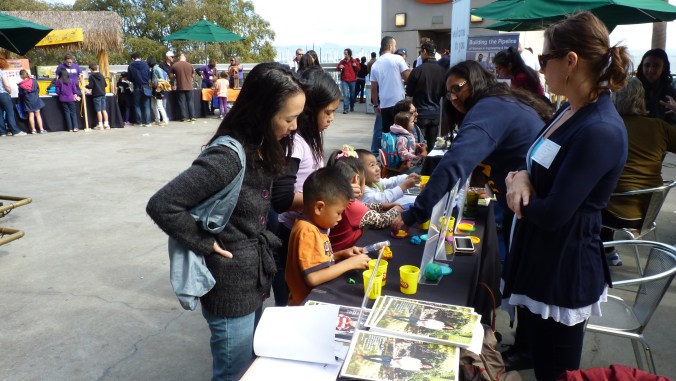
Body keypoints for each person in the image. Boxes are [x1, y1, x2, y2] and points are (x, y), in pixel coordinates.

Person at [146, 62, 305, 381]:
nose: (294, 126)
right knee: (232, 372)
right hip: (230, 288)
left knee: (249, 364)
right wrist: (203, 241)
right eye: (289, 118)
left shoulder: (260, 148)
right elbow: (163, 204)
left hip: (254, 279)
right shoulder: (229, 157)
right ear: (261, 112)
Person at [502, 12, 631, 381]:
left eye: (544, 60)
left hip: (562, 269)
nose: (541, 69)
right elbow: (537, 162)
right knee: (543, 359)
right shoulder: (569, 110)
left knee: (556, 372)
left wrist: (515, 188)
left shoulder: (600, 130)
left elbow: (553, 212)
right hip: (541, 260)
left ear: (570, 61)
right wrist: (522, 175)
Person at [392, 59, 549, 246]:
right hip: (521, 205)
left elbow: (455, 162)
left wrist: (415, 213)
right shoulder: (496, 104)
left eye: (457, 88)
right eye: (449, 93)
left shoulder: (490, 108)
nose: (453, 97)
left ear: (476, 81)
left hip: (534, 209)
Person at [270, 67, 342, 306]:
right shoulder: (296, 143)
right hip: (292, 233)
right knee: (291, 301)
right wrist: (326, 200)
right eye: (328, 112)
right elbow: (281, 198)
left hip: (311, 230)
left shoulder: (311, 140)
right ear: (310, 111)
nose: (331, 118)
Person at [601, 77, 676, 266]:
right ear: (641, 98)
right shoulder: (658, 127)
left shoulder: (607, 127)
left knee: (589, 194)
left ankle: (598, 253)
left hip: (612, 212)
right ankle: (608, 251)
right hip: (647, 213)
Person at [285, 166, 370, 306]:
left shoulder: (312, 226)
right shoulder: (308, 232)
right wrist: (349, 264)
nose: (340, 218)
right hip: (304, 305)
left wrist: (341, 254)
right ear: (319, 207)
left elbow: (314, 260)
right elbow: (313, 277)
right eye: (338, 212)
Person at [327, 148, 403, 251]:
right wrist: (397, 209)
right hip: (340, 256)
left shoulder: (340, 199)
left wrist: (381, 206)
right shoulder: (352, 206)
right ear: (356, 179)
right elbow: (382, 221)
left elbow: (363, 207)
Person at [406, 40, 446, 145]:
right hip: (436, 114)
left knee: (419, 145)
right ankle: (430, 161)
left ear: (424, 51)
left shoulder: (417, 71)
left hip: (420, 114)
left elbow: (409, 92)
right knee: (432, 145)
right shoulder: (442, 71)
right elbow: (444, 92)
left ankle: (422, 162)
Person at [370, 36, 411, 133]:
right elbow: (408, 78)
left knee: (388, 134)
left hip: (384, 104)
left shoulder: (375, 65)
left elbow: (373, 88)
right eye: (395, 46)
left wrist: (376, 105)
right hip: (399, 103)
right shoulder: (398, 59)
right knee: (401, 133)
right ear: (390, 46)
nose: (395, 48)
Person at [636, 48, 676, 125]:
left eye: (656, 66)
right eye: (647, 65)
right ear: (642, 67)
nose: (650, 70)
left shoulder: (670, 92)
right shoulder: (633, 89)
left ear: (663, 67)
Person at [0, 58, 26, 137]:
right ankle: (15, 130)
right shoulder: (1, 72)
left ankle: (2, 132)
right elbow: (7, 85)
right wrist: (10, 92)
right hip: (3, 94)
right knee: (10, 112)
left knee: (0, 114)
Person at [127, 52, 152, 127]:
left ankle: (139, 122)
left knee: (137, 105)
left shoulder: (130, 66)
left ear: (132, 59)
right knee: (147, 105)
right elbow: (149, 76)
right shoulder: (146, 65)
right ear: (139, 57)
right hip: (146, 86)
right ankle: (147, 122)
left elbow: (130, 78)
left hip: (137, 87)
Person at [18, 69, 46, 134]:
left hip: (27, 100)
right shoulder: (34, 81)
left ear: (21, 76)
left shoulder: (21, 85)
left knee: (31, 115)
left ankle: (33, 130)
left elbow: (20, 94)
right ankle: (41, 129)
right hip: (35, 99)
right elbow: (38, 89)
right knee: (38, 114)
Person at [171, 53, 196, 123]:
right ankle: (192, 117)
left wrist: (176, 77)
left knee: (182, 102)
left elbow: (171, 75)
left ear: (179, 58)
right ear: (185, 58)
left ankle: (184, 117)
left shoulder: (175, 65)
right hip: (189, 86)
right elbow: (193, 75)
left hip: (180, 86)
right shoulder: (190, 65)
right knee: (190, 102)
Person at [85, 63, 110, 130]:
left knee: (98, 110)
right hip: (103, 94)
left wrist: (86, 86)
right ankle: (106, 124)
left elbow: (91, 86)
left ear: (91, 69)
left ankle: (100, 125)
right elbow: (105, 85)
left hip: (96, 95)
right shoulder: (101, 75)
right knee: (104, 110)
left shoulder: (91, 76)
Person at [55, 68, 81, 132]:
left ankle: (70, 128)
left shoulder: (58, 81)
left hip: (62, 99)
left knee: (67, 113)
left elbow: (57, 91)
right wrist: (74, 94)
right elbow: (74, 90)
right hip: (71, 99)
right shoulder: (71, 80)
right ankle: (75, 127)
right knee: (73, 113)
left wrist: (61, 94)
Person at [337, 48, 361, 114]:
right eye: (344, 53)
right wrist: (340, 67)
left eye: (346, 53)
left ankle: (352, 106)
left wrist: (355, 66)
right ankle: (345, 109)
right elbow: (338, 67)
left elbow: (359, 68)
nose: (344, 55)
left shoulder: (354, 61)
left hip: (352, 80)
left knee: (352, 95)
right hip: (344, 80)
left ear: (349, 54)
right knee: (346, 95)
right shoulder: (342, 61)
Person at [148, 56, 169, 126]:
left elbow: (162, 79)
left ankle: (165, 120)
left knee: (159, 105)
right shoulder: (154, 68)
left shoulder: (156, 69)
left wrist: (155, 82)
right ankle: (157, 119)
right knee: (153, 105)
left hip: (159, 89)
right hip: (155, 89)